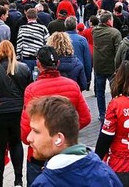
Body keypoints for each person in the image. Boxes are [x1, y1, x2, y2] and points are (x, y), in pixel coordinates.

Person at [21, 45, 91, 186]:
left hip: (40, 155)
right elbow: (85, 118)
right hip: (66, 152)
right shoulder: (72, 85)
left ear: (38, 63)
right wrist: (65, 132)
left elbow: (25, 133)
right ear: (57, 63)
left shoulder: (32, 90)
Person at [27, 96, 121, 187]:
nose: (29, 138)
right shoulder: (106, 172)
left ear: (59, 138)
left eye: (36, 131)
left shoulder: (45, 183)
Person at [0, 41, 32, 187]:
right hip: (17, 111)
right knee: (16, 144)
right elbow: (28, 91)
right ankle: (18, 179)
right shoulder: (22, 69)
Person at [92, 11, 122, 122]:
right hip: (111, 66)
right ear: (109, 21)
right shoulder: (115, 33)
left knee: (100, 92)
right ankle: (116, 111)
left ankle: (102, 114)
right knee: (116, 91)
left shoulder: (94, 31)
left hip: (98, 65)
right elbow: (118, 51)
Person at [17, 8, 49, 72]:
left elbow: (19, 44)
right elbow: (47, 42)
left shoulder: (22, 28)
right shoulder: (43, 28)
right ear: (37, 17)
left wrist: (18, 57)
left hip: (26, 58)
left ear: (26, 16)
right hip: (39, 58)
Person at [64, 16, 92, 89]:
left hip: (62, 73)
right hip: (78, 72)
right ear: (75, 26)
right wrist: (88, 78)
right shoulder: (82, 40)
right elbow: (87, 60)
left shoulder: (60, 38)